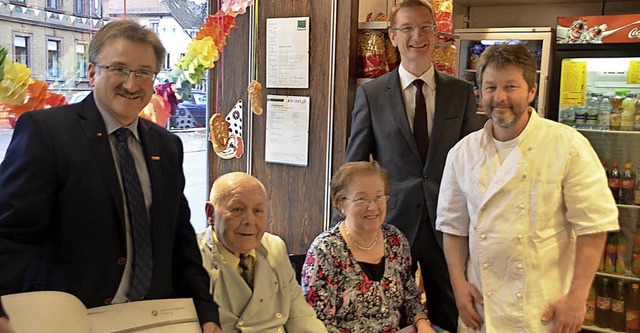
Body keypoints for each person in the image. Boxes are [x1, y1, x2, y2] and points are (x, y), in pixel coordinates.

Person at [0, 20, 221, 333]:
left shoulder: (167, 145)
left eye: (144, 72)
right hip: (69, 318)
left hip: (153, 318)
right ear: (92, 73)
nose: (132, 84)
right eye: (119, 69)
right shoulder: (47, 133)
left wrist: (206, 311)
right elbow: (9, 232)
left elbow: (180, 238)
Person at [435, 43, 619, 332]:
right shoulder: (462, 153)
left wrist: (577, 298)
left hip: (541, 309)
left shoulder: (567, 145)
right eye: (490, 87)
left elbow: (593, 227)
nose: (500, 97)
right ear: (480, 92)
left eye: (511, 86)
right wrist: (458, 286)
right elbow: (453, 228)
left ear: (531, 91)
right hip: (481, 306)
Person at [341, 0, 482, 330]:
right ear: (392, 36)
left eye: (425, 27)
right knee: (390, 310)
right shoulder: (372, 95)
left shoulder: (460, 93)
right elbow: (356, 166)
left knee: (450, 308)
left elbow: (473, 164)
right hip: (390, 224)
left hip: (447, 224)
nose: (416, 35)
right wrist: (352, 224)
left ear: (436, 34)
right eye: (407, 28)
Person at [303, 161, 435, 333]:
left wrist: (422, 323)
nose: (373, 207)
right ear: (341, 203)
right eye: (361, 198)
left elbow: (410, 296)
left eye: (379, 197)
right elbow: (317, 323)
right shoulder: (325, 250)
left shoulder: (395, 240)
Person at [198, 172, 327, 333]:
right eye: (237, 209)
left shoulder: (274, 247)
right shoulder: (193, 258)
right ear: (210, 213)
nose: (249, 220)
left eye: (258, 211)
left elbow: (301, 318)